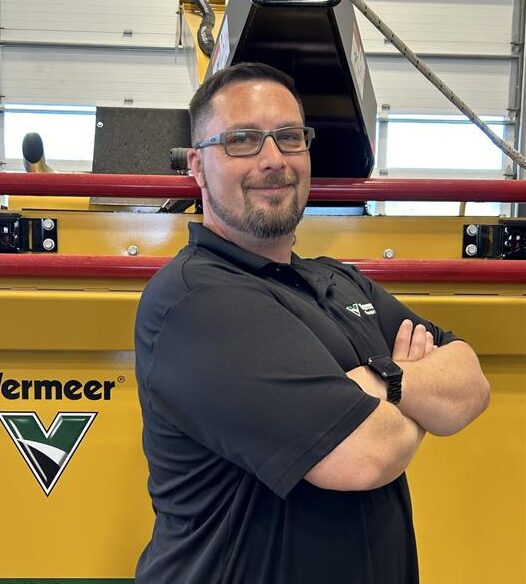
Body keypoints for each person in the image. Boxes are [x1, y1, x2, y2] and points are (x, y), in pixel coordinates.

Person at [134, 62, 490, 584]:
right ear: (196, 164)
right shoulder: (194, 299)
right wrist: (410, 388)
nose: (273, 159)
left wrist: (379, 384)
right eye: (242, 140)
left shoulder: (340, 281)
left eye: (289, 137)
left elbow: (471, 383)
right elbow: (366, 454)